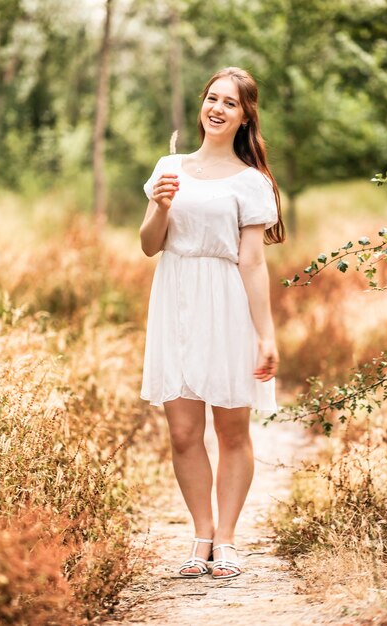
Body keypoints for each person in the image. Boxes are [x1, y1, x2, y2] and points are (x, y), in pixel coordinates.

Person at [139, 67, 285, 580]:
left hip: (226, 303)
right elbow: (150, 244)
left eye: (230, 103)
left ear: (245, 116)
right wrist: (160, 205)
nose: (217, 108)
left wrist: (266, 335)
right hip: (175, 297)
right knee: (182, 431)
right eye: (211, 98)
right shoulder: (169, 165)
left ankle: (227, 540)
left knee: (231, 429)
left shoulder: (252, 181)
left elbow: (252, 261)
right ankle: (201, 534)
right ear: (202, 104)